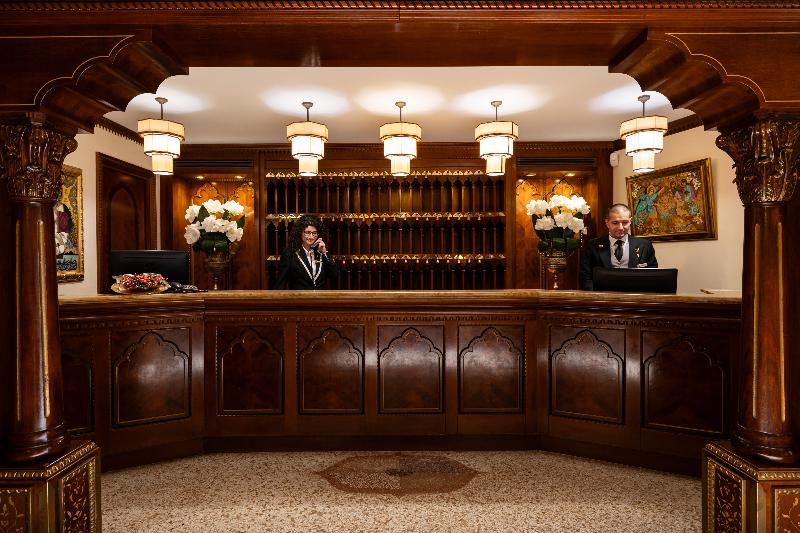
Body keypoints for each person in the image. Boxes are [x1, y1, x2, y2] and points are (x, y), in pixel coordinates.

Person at [579, 203, 658, 290]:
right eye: (615, 223)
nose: (620, 227)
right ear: (607, 223)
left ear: (630, 221)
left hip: (635, 295)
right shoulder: (593, 245)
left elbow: (653, 276)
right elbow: (585, 277)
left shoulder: (645, 245)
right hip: (603, 296)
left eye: (625, 222)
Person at [275, 215, 339, 290]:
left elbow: (334, 275)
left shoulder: (321, 252)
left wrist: (325, 252)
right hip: (300, 296)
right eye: (307, 232)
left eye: (314, 233)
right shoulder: (290, 253)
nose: (311, 237)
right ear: (300, 233)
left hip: (320, 296)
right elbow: (281, 282)